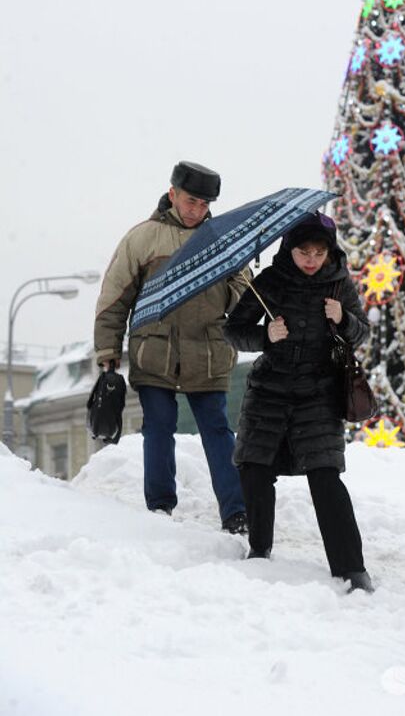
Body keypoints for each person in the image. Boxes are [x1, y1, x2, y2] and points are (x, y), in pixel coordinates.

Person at [223, 212, 374, 593]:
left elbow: (362, 332)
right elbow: (233, 331)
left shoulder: (340, 285)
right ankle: (260, 551)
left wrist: (343, 320)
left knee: (325, 477)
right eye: (303, 251)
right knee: (255, 469)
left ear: (329, 252)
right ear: (289, 249)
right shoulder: (269, 282)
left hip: (318, 394)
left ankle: (352, 569)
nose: (311, 259)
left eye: (319, 252)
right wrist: (265, 335)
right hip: (269, 392)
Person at [94, 160, 247, 531]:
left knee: (216, 427)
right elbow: (115, 297)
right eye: (191, 201)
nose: (197, 211)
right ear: (173, 194)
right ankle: (160, 506)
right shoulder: (142, 238)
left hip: (208, 351)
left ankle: (236, 511)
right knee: (158, 426)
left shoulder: (222, 240)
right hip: (155, 350)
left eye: (205, 205)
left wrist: (230, 289)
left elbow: (243, 291)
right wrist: (108, 350)